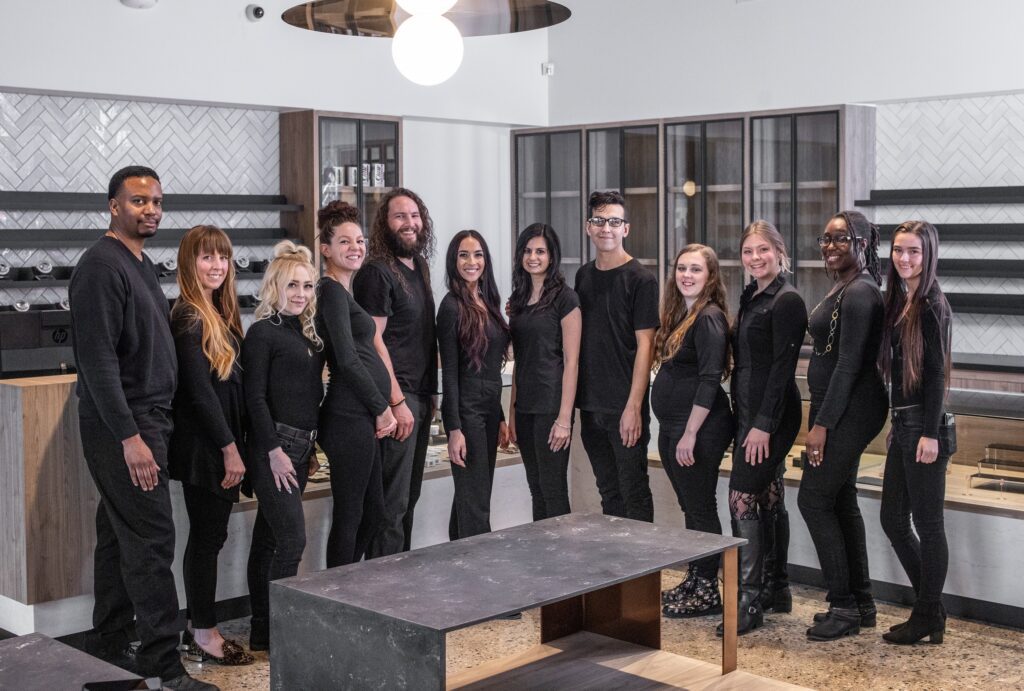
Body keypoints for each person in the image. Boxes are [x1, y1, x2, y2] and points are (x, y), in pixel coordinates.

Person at [69, 166, 216, 690]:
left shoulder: (140, 263)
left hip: (149, 420)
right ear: (113, 206)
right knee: (154, 541)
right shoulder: (100, 268)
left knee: (118, 538)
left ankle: (109, 651)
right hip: (126, 428)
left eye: (156, 201)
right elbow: (98, 363)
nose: (150, 209)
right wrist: (131, 438)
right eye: (138, 201)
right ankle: (167, 669)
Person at [799, 210, 888, 642]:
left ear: (863, 244)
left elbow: (850, 365)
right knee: (841, 499)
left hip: (851, 410)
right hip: (841, 408)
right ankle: (863, 602)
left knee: (814, 501)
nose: (830, 246)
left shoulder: (860, 293)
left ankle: (844, 605)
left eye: (841, 239)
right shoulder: (847, 285)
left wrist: (821, 425)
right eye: (825, 238)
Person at [168, 226, 254, 665]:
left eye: (222, 258)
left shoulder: (217, 314)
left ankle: (198, 627)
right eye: (207, 258)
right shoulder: (189, 315)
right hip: (206, 447)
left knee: (209, 537)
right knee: (206, 539)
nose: (217, 265)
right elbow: (199, 393)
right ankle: (203, 632)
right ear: (189, 264)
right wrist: (229, 447)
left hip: (217, 443)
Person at [719, 221, 808, 635]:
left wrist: (763, 426)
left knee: (741, 494)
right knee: (768, 494)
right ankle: (777, 587)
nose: (755, 258)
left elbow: (781, 370)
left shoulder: (787, 300)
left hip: (771, 415)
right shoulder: (754, 293)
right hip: (750, 411)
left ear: (779, 250)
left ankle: (749, 599)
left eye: (762, 250)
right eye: (748, 251)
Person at [242, 241, 325, 652]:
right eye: (293, 285)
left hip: (300, 447)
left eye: (308, 286)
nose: (301, 294)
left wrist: (308, 450)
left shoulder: (307, 333)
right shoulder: (261, 333)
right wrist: (274, 451)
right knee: (291, 540)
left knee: (269, 540)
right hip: (273, 448)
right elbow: (254, 398)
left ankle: (262, 631)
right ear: (275, 285)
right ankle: (280, 631)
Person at [878, 221, 954, 645]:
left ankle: (926, 612)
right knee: (893, 519)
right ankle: (932, 609)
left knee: (928, 523)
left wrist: (929, 434)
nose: (904, 259)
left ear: (928, 256)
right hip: (904, 424)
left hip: (925, 429)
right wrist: (897, 423)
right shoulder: (904, 300)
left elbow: (936, 376)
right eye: (899, 251)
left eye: (914, 252)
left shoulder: (929, 303)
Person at [353, 188, 438, 556]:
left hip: (420, 396)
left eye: (415, 215)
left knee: (409, 498)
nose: (410, 223)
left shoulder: (418, 266)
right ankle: (383, 591)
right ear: (384, 225)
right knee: (391, 504)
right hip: (398, 399)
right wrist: (396, 401)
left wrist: (431, 394)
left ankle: (401, 581)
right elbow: (373, 342)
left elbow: (422, 335)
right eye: (400, 217)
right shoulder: (376, 271)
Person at [651, 244, 734, 620]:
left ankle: (707, 590)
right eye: (681, 268)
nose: (686, 275)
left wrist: (690, 433)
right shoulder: (682, 313)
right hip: (674, 425)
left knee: (700, 506)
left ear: (710, 277)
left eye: (695, 270)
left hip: (699, 429)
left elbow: (709, 379)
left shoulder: (709, 318)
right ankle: (695, 576)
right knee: (690, 506)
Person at [316, 201, 398, 567]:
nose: (356, 248)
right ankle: (336, 595)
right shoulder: (330, 291)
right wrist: (382, 408)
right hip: (348, 416)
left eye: (360, 241)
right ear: (326, 249)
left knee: (374, 513)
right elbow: (346, 360)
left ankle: (347, 586)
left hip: (362, 417)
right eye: (345, 242)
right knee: (350, 515)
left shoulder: (346, 293)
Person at [575, 190, 660, 522]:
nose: (605, 228)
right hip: (591, 404)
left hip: (624, 407)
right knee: (608, 492)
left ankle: (644, 574)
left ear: (626, 228)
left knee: (634, 491)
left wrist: (634, 408)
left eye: (613, 221)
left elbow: (646, 347)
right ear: (588, 227)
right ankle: (619, 571)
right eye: (598, 221)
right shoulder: (583, 276)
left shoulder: (642, 279)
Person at [438, 230, 511, 539]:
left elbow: (492, 367)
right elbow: (450, 374)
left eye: (478, 254)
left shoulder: (489, 301)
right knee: (476, 501)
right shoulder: (451, 307)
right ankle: (481, 571)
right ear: (454, 261)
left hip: (490, 409)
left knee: (472, 497)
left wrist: (502, 417)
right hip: (467, 413)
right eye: (464, 255)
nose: (472, 262)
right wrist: (454, 430)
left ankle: (458, 565)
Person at [507, 223, 581, 520]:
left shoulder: (566, 298)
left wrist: (564, 419)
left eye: (540, 251)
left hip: (552, 407)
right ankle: (544, 559)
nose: (533, 257)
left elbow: (572, 362)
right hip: (525, 406)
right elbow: (519, 360)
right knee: (535, 488)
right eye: (527, 251)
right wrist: (512, 411)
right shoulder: (518, 299)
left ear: (552, 256)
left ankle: (563, 561)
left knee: (553, 489)